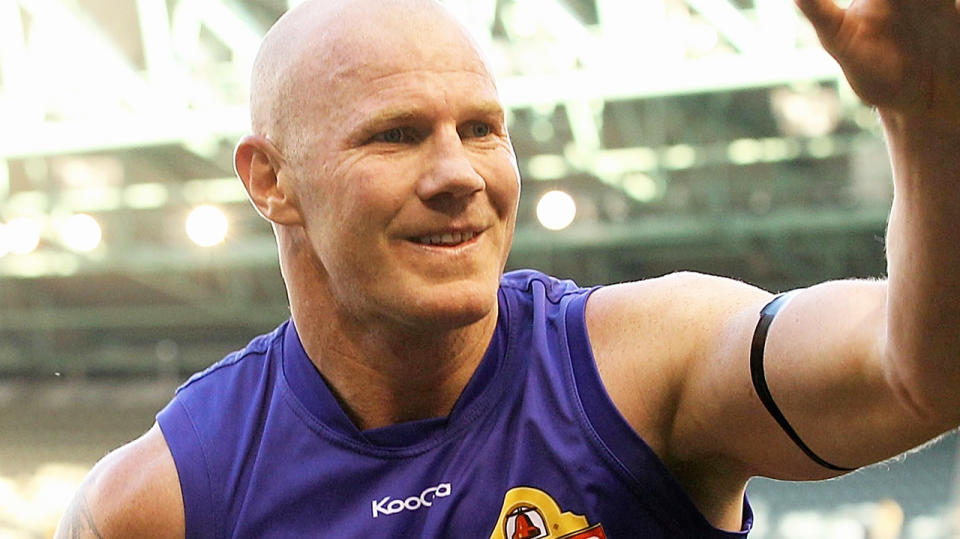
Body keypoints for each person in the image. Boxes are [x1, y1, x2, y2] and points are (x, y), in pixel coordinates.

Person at [55, 0, 960, 536]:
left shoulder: (638, 369)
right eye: (397, 134)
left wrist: (933, 119)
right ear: (271, 180)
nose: (460, 174)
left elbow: (920, 372)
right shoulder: (166, 499)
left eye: (483, 128)